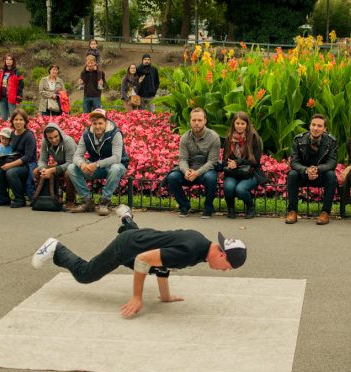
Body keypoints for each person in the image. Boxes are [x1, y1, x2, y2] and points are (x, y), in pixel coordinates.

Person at [32, 204, 247, 318]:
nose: (224, 271)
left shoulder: (201, 245)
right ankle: (56, 248)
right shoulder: (191, 250)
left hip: (142, 239)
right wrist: (137, 297)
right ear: (222, 255)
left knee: (140, 242)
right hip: (128, 248)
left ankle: (127, 218)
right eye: (227, 267)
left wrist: (165, 297)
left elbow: (163, 265)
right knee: (85, 274)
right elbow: (144, 260)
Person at [67, 108, 128, 216]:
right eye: (94, 123)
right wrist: (82, 164)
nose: (97, 126)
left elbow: (117, 158)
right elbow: (77, 156)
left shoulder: (115, 134)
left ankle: (104, 202)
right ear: (91, 123)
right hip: (95, 167)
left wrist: (97, 164)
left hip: (116, 167)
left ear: (106, 122)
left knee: (115, 168)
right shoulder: (86, 135)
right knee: (72, 168)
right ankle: (87, 201)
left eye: (100, 123)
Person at [166, 108, 220, 218]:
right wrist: (186, 171)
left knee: (211, 178)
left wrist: (197, 173)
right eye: (194, 120)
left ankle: (208, 208)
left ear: (205, 121)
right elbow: (183, 159)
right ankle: (184, 206)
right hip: (189, 170)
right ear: (190, 121)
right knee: (172, 177)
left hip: (206, 171)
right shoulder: (185, 138)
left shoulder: (214, 137)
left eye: (199, 120)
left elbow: (212, 161)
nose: (196, 123)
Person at [285, 114, 338, 225]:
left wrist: (317, 169)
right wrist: (306, 170)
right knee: (292, 174)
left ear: (325, 129)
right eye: (313, 125)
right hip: (303, 174)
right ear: (309, 126)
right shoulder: (298, 140)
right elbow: (294, 162)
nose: (315, 128)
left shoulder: (331, 141)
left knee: (331, 175)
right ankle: (292, 211)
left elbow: (332, 162)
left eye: (319, 126)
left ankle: (325, 212)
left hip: (321, 175)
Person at [222, 111, 266, 219]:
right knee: (228, 187)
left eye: (243, 123)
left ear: (247, 124)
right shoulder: (229, 138)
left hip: (250, 172)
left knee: (240, 189)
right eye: (237, 123)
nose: (240, 126)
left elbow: (256, 160)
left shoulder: (254, 137)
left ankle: (250, 207)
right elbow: (224, 159)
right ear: (233, 124)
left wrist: (237, 162)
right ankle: (231, 208)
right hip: (233, 172)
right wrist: (230, 164)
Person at [0, 108, 37, 208]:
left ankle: (20, 199)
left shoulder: (29, 136)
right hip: (14, 162)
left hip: (27, 164)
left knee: (11, 172)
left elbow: (27, 157)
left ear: (25, 121)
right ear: (12, 121)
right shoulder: (12, 134)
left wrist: (9, 165)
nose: (18, 122)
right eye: (16, 119)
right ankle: (2, 198)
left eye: (21, 119)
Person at [34, 122, 77, 209]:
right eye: (50, 138)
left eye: (56, 136)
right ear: (46, 137)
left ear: (60, 134)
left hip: (75, 165)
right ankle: (46, 198)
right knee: (36, 172)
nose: (53, 140)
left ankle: (70, 201)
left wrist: (51, 170)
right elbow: (42, 160)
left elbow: (70, 163)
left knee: (69, 174)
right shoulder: (45, 142)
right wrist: (43, 169)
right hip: (61, 165)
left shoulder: (68, 141)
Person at [0, 53, 24, 121]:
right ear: (5, 61)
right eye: (7, 59)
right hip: (2, 98)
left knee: (13, 118)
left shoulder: (17, 72)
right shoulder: (2, 72)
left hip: (12, 98)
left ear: (13, 61)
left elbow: (21, 87)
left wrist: (18, 99)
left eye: (10, 59)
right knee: (3, 118)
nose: (8, 61)